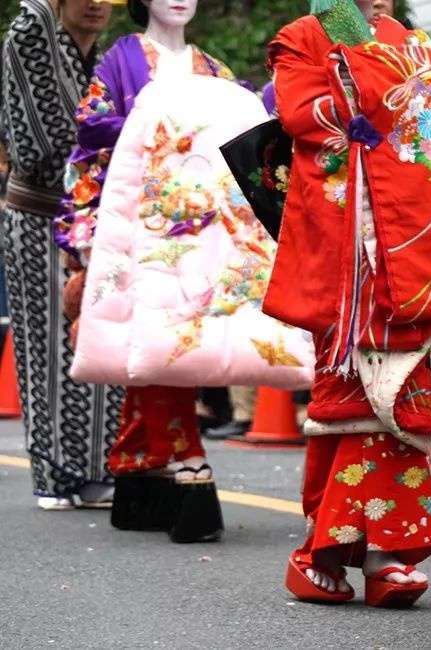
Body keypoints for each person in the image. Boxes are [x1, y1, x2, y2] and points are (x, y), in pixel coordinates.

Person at [266, 0, 431, 606]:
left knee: (406, 397)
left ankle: (343, 552)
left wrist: (388, 92)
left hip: (416, 245)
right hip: (351, 255)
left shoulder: (415, 43)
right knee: (348, 397)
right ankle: (377, 554)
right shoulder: (306, 36)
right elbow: (303, 116)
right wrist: (381, 83)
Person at [57, 0, 264, 541]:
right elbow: (92, 140)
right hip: (142, 221)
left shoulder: (215, 70)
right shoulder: (120, 61)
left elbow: (243, 139)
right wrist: (85, 229)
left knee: (177, 340)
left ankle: (135, 471)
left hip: (204, 225)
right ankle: (186, 459)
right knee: (161, 341)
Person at [1, 0, 124, 510]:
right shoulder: (33, 29)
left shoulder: (112, 58)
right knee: (47, 342)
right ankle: (54, 472)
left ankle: (98, 468)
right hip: (41, 213)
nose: (95, 4)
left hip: (101, 220)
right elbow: (41, 145)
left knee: (100, 338)